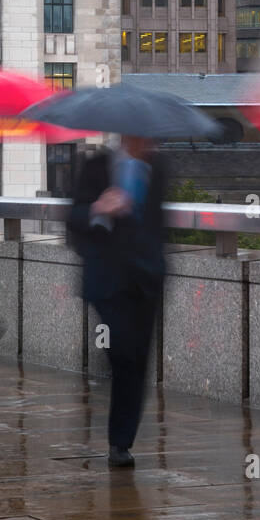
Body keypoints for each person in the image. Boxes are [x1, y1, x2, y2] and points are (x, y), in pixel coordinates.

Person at [67, 135, 166, 467]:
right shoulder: (97, 167)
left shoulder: (160, 168)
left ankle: (120, 444)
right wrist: (100, 209)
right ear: (125, 134)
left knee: (136, 362)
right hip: (108, 282)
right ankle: (118, 431)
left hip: (146, 281)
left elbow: (159, 224)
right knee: (122, 355)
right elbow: (72, 220)